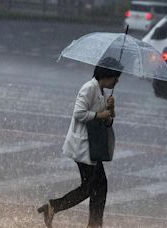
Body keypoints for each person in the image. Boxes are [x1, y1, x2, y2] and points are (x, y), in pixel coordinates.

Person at [37, 57, 123, 228]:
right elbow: (79, 113)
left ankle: (93, 223)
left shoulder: (101, 91)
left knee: (99, 186)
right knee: (90, 187)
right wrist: (99, 115)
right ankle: (54, 207)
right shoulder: (89, 88)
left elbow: (106, 122)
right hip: (83, 146)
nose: (117, 81)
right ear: (107, 75)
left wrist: (111, 110)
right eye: (116, 77)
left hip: (93, 146)